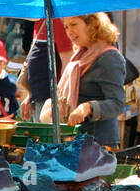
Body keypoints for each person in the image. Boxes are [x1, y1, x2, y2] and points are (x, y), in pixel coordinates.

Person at [39, 13, 127, 148]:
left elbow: (117, 104)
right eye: (66, 27)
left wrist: (89, 107)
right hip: (75, 140)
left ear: (93, 24)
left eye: (74, 24)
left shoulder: (109, 58)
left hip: (98, 144)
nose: (69, 32)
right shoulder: (79, 57)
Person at [24, 17, 71, 122]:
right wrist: (30, 95)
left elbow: (67, 63)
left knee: (47, 136)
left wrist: (60, 99)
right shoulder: (39, 22)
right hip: (39, 96)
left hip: (51, 99)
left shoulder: (57, 21)